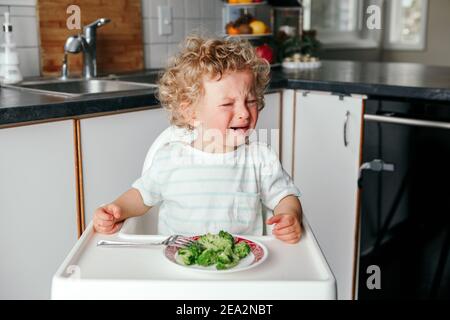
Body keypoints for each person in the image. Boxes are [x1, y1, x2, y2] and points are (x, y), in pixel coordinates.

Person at [93, 35, 303, 244]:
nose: (244, 113)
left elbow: (284, 197)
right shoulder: (170, 158)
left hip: (242, 268)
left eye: (250, 101)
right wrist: (117, 209)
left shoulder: (260, 159)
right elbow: (141, 195)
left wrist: (290, 216)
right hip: (179, 266)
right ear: (191, 113)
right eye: (227, 104)